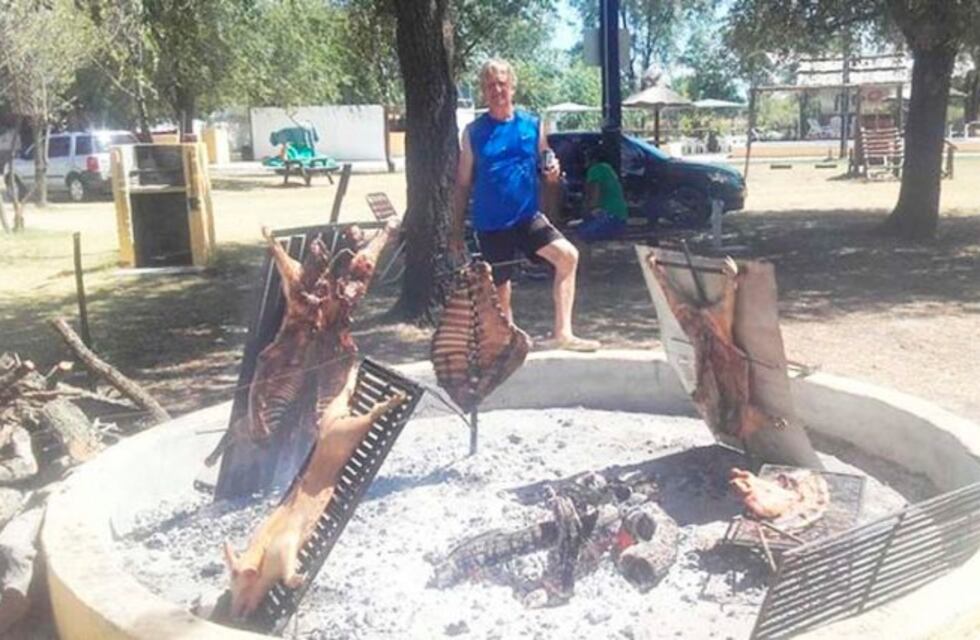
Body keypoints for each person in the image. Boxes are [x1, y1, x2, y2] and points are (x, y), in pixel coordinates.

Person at [450, 59, 599, 352]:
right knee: (501, 291)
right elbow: (463, 183)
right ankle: (509, 346)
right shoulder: (473, 132)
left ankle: (563, 333)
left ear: (512, 87)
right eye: (490, 85)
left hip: (527, 217)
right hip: (491, 223)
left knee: (567, 256)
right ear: (483, 91)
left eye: (502, 84)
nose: (497, 90)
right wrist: (454, 230)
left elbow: (548, 170)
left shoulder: (532, 125)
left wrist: (554, 174)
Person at [576, 146, 628, 242]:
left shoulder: (595, 170)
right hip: (621, 218)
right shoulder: (607, 168)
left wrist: (584, 210)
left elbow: (594, 198)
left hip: (610, 218)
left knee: (580, 234)